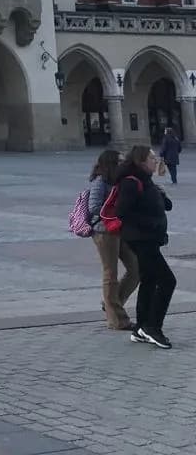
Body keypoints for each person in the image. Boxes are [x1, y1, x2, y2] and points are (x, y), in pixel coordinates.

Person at [115, 145, 176, 348]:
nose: (155, 160)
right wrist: (150, 223)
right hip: (141, 239)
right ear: (141, 161)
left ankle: (141, 327)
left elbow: (163, 206)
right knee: (168, 281)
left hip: (149, 238)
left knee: (149, 279)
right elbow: (122, 212)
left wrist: (163, 198)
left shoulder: (146, 180)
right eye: (151, 158)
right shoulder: (130, 182)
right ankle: (153, 327)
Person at [86, 149, 138, 330]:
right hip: (104, 232)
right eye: (119, 162)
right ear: (110, 164)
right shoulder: (100, 181)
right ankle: (117, 319)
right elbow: (93, 207)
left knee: (136, 268)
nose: (123, 164)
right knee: (111, 274)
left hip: (120, 229)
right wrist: (116, 208)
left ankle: (112, 304)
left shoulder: (120, 180)